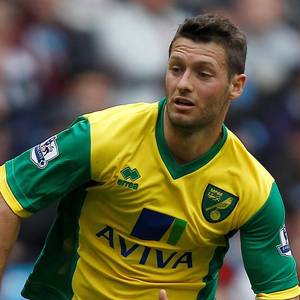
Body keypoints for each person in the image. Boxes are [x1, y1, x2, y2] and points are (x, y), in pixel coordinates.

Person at [0, 13, 299, 300]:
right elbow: (8, 194)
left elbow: (280, 293)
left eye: (203, 74)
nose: (183, 84)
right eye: (176, 68)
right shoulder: (100, 136)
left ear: (236, 86)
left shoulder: (254, 188)